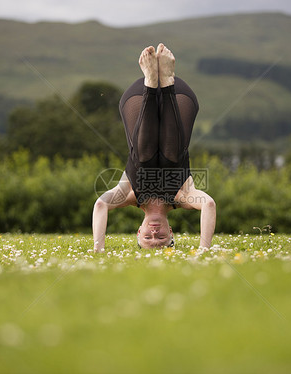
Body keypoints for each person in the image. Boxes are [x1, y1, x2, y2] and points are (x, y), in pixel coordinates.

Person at [92, 43, 216, 252]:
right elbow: (209, 204)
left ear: (139, 232)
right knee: (171, 158)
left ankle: (152, 82)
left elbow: (100, 205)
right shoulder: (183, 196)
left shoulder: (130, 195)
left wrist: (98, 248)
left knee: (143, 160)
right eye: (161, 239)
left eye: (148, 238)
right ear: (171, 233)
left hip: (137, 99)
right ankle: (166, 82)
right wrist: (204, 249)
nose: (155, 234)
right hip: (179, 98)